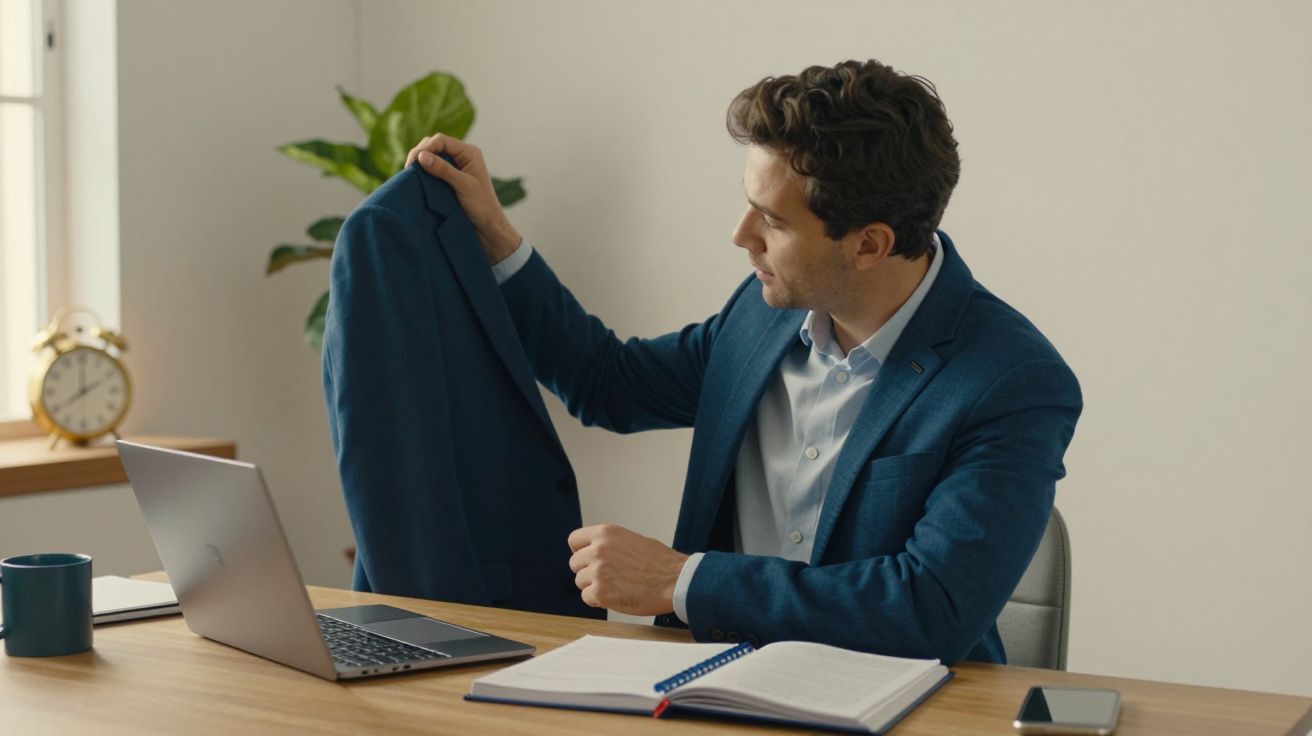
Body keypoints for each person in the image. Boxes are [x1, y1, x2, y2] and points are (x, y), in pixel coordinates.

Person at [403, 59, 1082, 664]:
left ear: (870, 245)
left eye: (773, 222)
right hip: (706, 691)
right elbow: (607, 384)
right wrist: (494, 235)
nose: (740, 236)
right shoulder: (764, 312)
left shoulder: (1014, 383)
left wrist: (680, 580)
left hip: (902, 710)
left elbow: (927, 610)